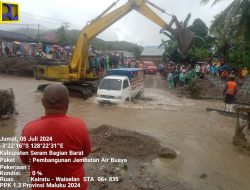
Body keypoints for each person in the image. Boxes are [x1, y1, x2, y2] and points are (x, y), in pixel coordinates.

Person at [19, 84, 91, 190]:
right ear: (67, 103)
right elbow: (86, 152)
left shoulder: (29, 129)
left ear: (43, 102)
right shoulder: (79, 125)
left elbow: (25, 160)